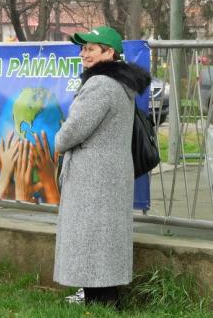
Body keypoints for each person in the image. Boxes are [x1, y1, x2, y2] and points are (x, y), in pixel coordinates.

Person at [53, 26, 151, 306]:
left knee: (92, 240)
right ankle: (99, 300)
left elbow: (73, 131)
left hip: (93, 175)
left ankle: (103, 303)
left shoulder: (100, 85)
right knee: (102, 241)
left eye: (91, 49)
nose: (84, 54)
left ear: (109, 53)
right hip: (108, 173)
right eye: (83, 49)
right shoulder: (120, 84)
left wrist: (59, 138)